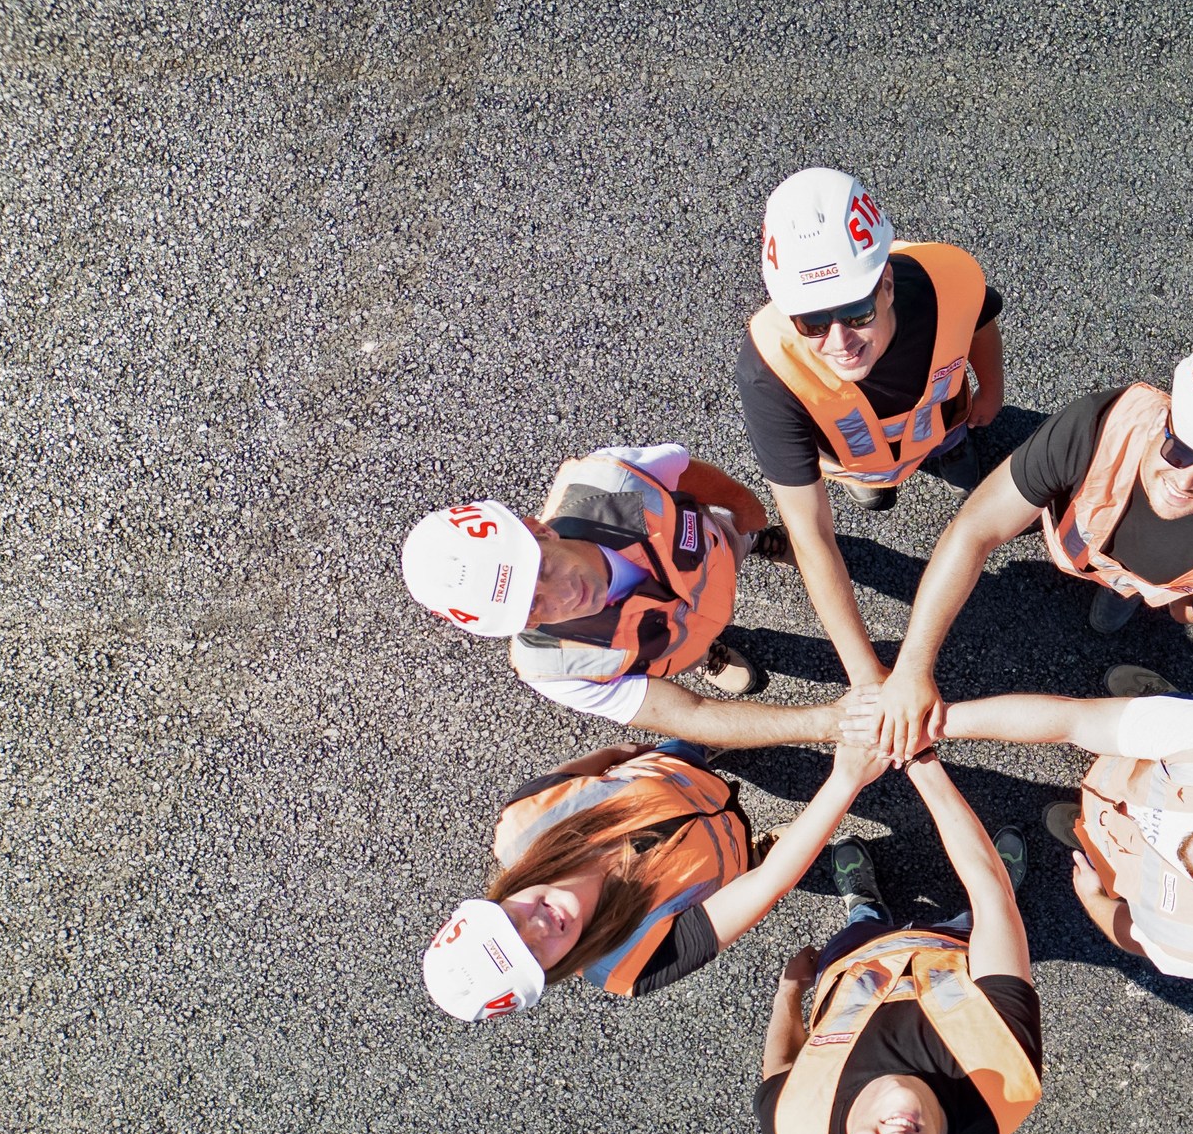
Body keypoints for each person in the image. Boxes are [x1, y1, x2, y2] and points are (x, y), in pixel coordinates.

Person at [866, 332, 1193, 762]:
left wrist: (1189, 611)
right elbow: (976, 530)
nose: (1186, 481)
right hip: (1082, 547)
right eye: (1181, 449)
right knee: (1039, 523)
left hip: (1124, 580)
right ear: (1167, 415)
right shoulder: (1096, 427)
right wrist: (911, 669)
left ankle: (1115, 595)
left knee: (1114, 601)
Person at [853, 673, 1193, 980]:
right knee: (1138, 725)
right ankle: (1161, 701)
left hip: (1118, 831)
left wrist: (1094, 897)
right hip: (1155, 762)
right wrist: (928, 725)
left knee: (1092, 828)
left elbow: (1133, 935)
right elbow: (1073, 721)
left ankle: (1093, 823)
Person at [758, 753, 1039, 1134]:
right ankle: (1003, 880)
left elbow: (780, 1069)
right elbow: (990, 899)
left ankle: (863, 906)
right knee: (990, 904)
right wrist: (918, 758)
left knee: (862, 925)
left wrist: (789, 992)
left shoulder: (792, 1125)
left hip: (855, 962)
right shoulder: (1003, 1085)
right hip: (956, 946)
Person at [738, 167, 1006, 690]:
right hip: (856, 460)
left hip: (944, 424)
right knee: (871, 485)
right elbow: (810, 533)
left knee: (955, 451)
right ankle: (874, 485)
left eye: (857, 312)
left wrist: (991, 389)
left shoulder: (948, 277)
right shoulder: (766, 370)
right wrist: (864, 674)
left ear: (885, 284)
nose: (840, 342)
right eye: (813, 323)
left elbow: (980, 321)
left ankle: (943, 461)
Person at [401, 442, 838, 747]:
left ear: (539, 530)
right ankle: (704, 654)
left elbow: (685, 471)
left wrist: (743, 509)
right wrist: (829, 723)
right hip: (680, 632)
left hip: (718, 549)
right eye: (534, 605)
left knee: (738, 533)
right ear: (520, 624)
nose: (566, 594)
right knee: (680, 649)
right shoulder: (553, 668)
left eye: (543, 569)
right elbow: (689, 714)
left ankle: (756, 541)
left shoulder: (610, 476)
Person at [422, 736, 890, 1021]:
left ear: (497, 900)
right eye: (533, 954)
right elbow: (767, 883)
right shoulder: (631, 967)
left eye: (511, 923)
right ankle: (754, 847)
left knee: (693, 743)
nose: (539, 926)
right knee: (759, 864)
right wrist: (846, 778)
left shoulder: (523, 821)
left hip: (677, 767)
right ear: (551, 973)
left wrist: (641, 751)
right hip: (728, 856)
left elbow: (603, 761)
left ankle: (710, 749)